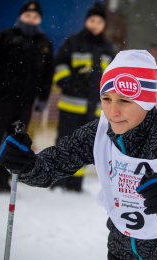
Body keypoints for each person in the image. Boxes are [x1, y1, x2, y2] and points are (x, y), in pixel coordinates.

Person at [0, 50, 157, 260]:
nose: (113, 112)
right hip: (121, 247)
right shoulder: (100, 131)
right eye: (106, 99)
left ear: (146, 102)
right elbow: (53, 164)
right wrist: (25, 164)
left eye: (124, 101)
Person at [52, 2, 115, 191]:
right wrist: (70, 83)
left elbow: (113, 75)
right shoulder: (72, 42)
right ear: (86, 21)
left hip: (95, 107)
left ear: (104, 25)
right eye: (92, 20)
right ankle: (58, 181)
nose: (95, 24)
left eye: (99, 22)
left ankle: (75, 184)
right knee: (65, 142)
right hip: (71, 104)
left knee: (85, 146)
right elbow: (59, 66)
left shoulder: (107, 48)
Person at [0, 1, 53, 192]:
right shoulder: (5, 36)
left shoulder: (44, 42)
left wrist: (43, 97)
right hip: (2, 98)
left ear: (40, 19)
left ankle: (4, 179)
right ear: (20, 16)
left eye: (35, 16)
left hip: (26, 102)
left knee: (15, 141)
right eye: (28, 15)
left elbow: (47, 73)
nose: (31, 19)